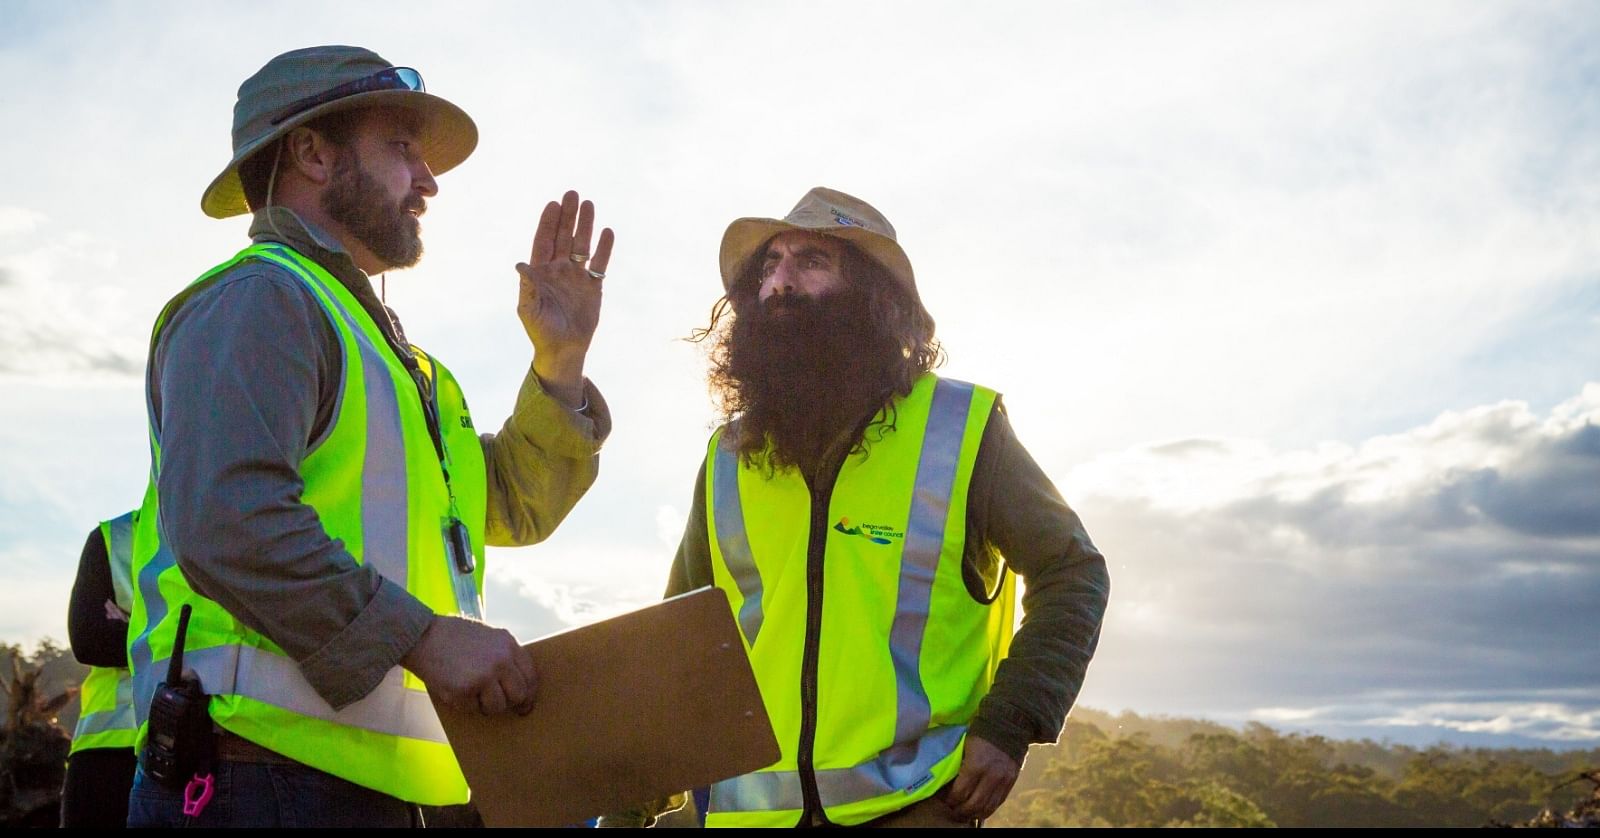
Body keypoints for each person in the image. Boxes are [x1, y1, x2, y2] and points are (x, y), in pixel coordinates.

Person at [124, 45, 615, 827]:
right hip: (256, 777)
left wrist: (559, 364)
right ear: (312, 152)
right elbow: (229, 520)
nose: (428, 181)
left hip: (366, 788)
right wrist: (420, 637)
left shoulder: (400, 362)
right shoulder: (262, 298)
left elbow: (514, 508)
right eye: (401, 148)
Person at [654, 187, 1109, 827]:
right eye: (769, 265)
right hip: (749, 816)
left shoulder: (960, 428)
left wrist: (1010, 724)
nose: (779, 283)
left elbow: (1074, 572)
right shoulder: (728, 458)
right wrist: (628, 803)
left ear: (875, 299)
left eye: (812, 262)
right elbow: (678, 641)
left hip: (915, 805)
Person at [62, 512, 139, 828]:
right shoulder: (114, 536)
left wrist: (129, 625)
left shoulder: (220, 527)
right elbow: (89, 641)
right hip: (103, 753)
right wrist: (174, 635)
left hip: (194, 747)